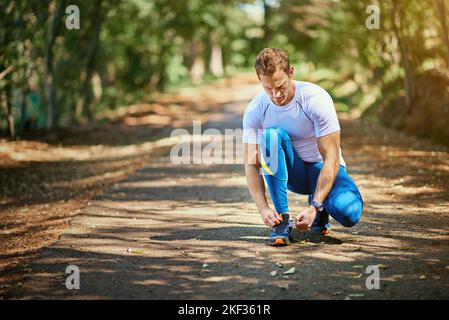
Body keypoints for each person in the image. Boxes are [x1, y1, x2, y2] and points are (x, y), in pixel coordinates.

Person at [243, 48, 363, 246]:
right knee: (272, 136)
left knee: (349, 214)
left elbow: (331, 158)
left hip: (322, 169)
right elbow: (250, 165)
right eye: (268, 88)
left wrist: (315, 206)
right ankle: (281, 223)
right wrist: (263, 209)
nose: (275, 95)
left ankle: (321, 210)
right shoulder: (256, 109)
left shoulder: (315, 98)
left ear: (291, 73)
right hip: (293, 174)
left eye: (280, 86)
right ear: (259, 80)